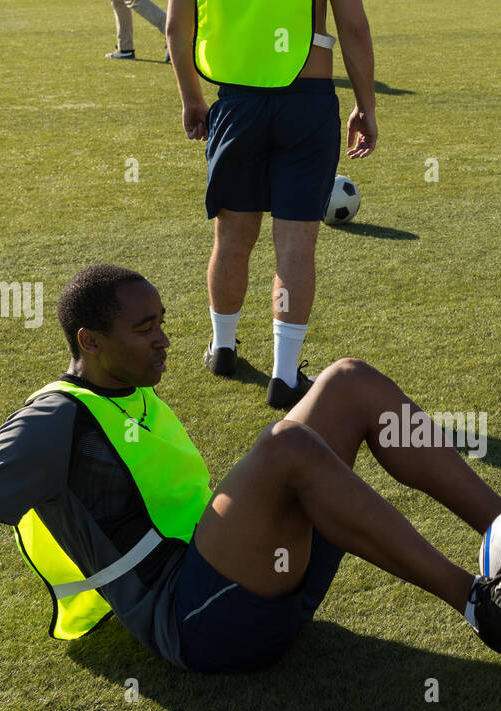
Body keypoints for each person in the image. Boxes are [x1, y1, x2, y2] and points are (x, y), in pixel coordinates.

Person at [0, 266, 501, 711]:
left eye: (163, 319)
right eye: (146, 327)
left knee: (349, 381)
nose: (166, 338)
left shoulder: (126, 390)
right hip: (197, 625)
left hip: (244, 584)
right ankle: (479, 604)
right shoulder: (49, 421)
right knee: (286, 449)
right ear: (89, 342)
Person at [165, 0, 378, 410]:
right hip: (307, 101)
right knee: (296, 243)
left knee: (231, 236)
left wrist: (191, 98)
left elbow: (177, 25)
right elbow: (354, 28)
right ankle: (284, 375)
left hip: (238, 102)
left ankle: (222, 348)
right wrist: (365, 107)